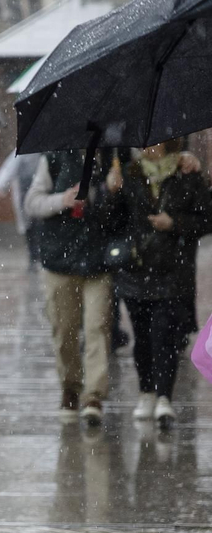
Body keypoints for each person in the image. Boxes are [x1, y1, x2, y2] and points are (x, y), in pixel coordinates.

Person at [103, 141, 211, 429]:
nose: (149, 146)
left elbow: (206, 219)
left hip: (173, 271)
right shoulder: (129, 173)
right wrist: (111, 193)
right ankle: (146, 392)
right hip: (136, 270)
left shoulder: (186, 173)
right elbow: (113, 223)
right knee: (143, 337)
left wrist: (173, 223)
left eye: (156, 140)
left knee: (164, 335)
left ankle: (164, 397)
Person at [24, 149, 125, 425]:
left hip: (98, 258)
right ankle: (70, 386)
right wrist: (63, 199)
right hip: (60, 258)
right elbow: (32, 203)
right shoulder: (55, 158)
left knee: (97, 326)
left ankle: (94, 395)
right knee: (64, 327)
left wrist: (111, 190)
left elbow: (122, 206)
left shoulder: (113, 155)